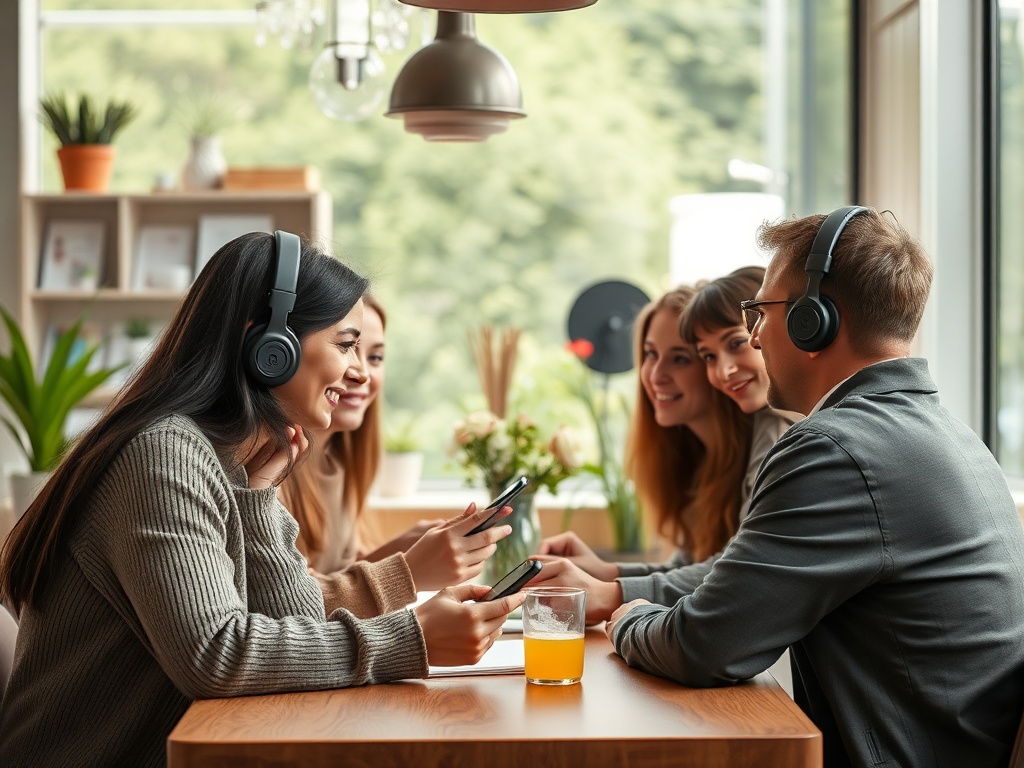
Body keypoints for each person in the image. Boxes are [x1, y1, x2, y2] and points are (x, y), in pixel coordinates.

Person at [0, 231, 524, 767]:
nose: (357, 371)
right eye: (345, 345)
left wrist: (255, 504)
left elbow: (299, 627)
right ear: (270, 348)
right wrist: (410, 639)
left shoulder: (232, 462)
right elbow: (215, 655)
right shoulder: (163, 453)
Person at [606, 207, 1024, 767]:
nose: (755, 336)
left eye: (760, 313)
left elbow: (704, 646)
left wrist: (625, 619)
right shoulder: (948, 432)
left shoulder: (835, 450)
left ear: (814, 320)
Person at [534, 274, 797, 619]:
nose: (655, 375)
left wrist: (610, 592)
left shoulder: (774, 434)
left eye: (680, 358)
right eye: (650, 354)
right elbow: (691, 568)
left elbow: (735, 573)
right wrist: (605, 572)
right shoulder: (698, 458)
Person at [279, 295, 494, 615]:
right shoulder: (267, 475)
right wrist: (408, 568)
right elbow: (291, 605)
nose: (362, 373)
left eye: (376, 357)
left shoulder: (339, 465)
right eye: (345, 348)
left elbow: (334, 579)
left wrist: (403, 549)